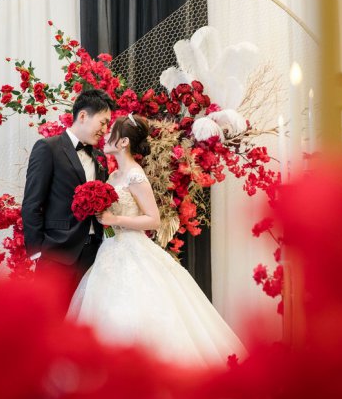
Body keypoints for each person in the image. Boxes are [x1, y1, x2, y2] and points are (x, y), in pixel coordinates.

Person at [68, 114, 246, 367]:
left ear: (124, 142)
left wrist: (113, 219)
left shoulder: (135, 175)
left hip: (132, 249)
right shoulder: (114, 174)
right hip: (109, 250)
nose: (106, 135)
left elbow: (153, 220)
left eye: (112, 133)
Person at [21, 89, 114, 303]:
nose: (105, 129)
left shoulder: (100, 157)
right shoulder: (48, 148)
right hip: (57, 253)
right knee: (48, 321)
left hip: (94, 253)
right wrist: (37, 252)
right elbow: (32, 202)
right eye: (102, 122)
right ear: (82, 116)